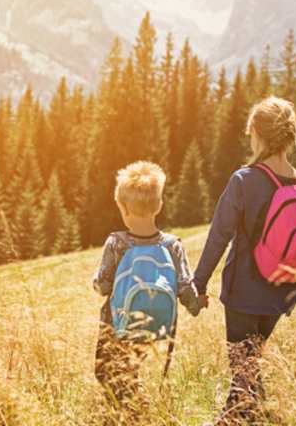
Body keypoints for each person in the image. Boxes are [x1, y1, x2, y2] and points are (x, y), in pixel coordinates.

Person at [192, 97, 296, 423]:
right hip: (281, 293)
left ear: (256, 134)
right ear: (291, 137)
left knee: (242, 374)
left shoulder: (244, 180)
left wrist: (199, 283)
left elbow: (218, 236)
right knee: (251, 366)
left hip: (243, 292)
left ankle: (239, 419)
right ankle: (260, 415)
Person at [91, 161, 201, 412]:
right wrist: (195, 305)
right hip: (153, 322)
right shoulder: (172, 244)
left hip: (115, 323)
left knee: (106, 373)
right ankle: (133, 411)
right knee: (130, 368)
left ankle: (136, 412)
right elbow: (185, 285)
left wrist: (94, 281)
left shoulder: (117, 243)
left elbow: (104, 285)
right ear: (159, 205)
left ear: (123, 207)